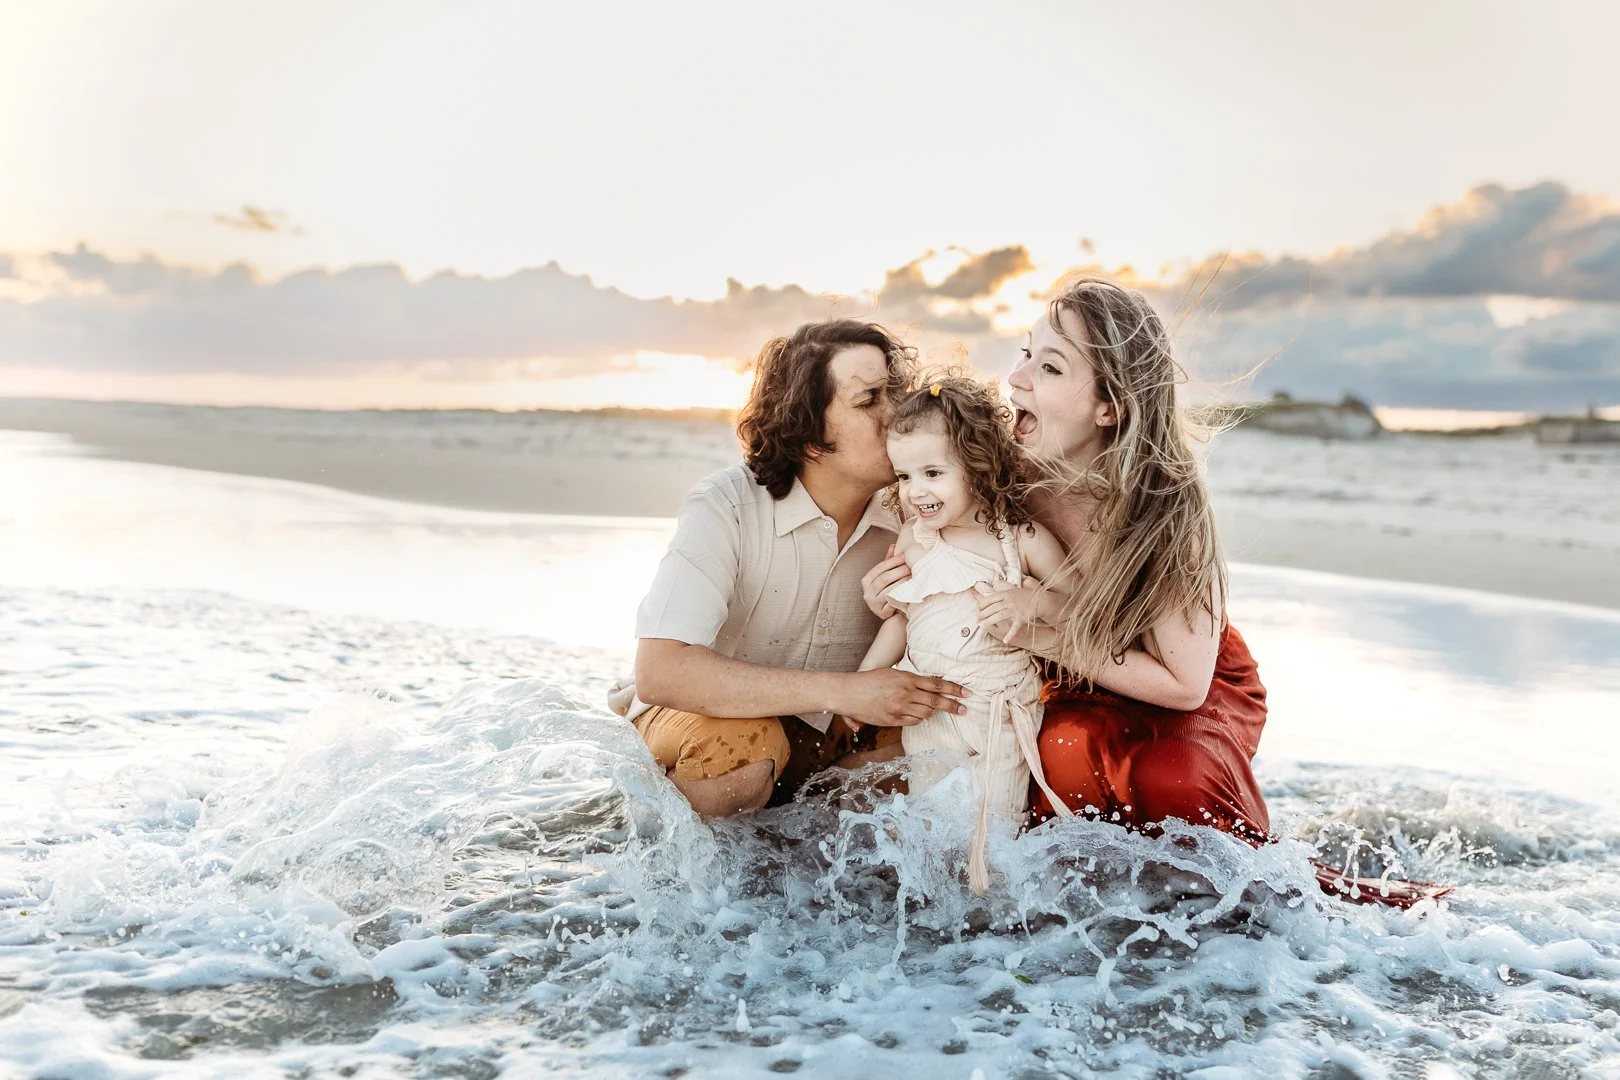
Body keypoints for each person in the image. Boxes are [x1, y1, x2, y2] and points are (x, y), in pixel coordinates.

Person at [862, 278, 1446, 907]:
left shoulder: (1158, 507)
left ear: (1108, 407)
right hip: (1074, 674)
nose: (1018, 379)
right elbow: (941, 543)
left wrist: (1046, 632)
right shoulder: (1006, 475)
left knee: (1173, 777)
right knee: (1064, 755)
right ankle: (1109, 908)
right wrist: (894, 601)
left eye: (1050, 366)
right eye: (1024, 353)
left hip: (1187, 680)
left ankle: (1268, 896)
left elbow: (1183, 685)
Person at [608, 319, 970, 819]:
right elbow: (660, 671)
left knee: (947, 747)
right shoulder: (726, 505)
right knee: (748, 756)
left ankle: (809, 872)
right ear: (807, 432)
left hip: (835, 732)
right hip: (706, 722)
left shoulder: (922, 515)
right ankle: (665, 860)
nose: (898, 414)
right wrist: (845, 690)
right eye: (869, 401)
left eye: (896, 393)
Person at [844, 374, 1073, 893]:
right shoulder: (915, 537)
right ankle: (936, 942)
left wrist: (1034, 601)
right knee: (930, 832)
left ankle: (992, 939)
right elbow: (902, 618)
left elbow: (1079, 607)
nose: (915, 491)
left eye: (932, 472)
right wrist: (860, 683)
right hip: (929, 712)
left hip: (998, 714)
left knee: (992, 844)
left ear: (978, 464)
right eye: (903, 476)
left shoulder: (1021, 540)